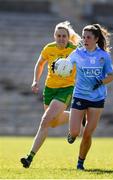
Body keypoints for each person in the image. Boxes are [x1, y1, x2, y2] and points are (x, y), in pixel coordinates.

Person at [20, 21, 82, 168]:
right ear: (54, 36)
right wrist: (35, 81)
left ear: (68, 37)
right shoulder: (49, 48)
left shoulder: (75, 50)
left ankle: (29, 157)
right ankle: (77, 116)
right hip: (49, 89)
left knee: (45, 120)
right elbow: (40, 64)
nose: (61, 38)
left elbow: (83, 65)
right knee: (53, 123)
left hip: (65, 90)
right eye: (58, 36)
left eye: (64, 36)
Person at [66, 24, 113, 170]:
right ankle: (73, 133)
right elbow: (66, 65)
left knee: (87, 134)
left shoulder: (104, 56)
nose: (85, 39)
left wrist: (100, 81)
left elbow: (111, 76)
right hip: (80, 95)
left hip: (97, 98)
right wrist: (59, 66)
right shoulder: (77, 53)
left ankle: (80, 163)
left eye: (88, 37)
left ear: (96, 39)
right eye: (83, 36)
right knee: (75, 132)